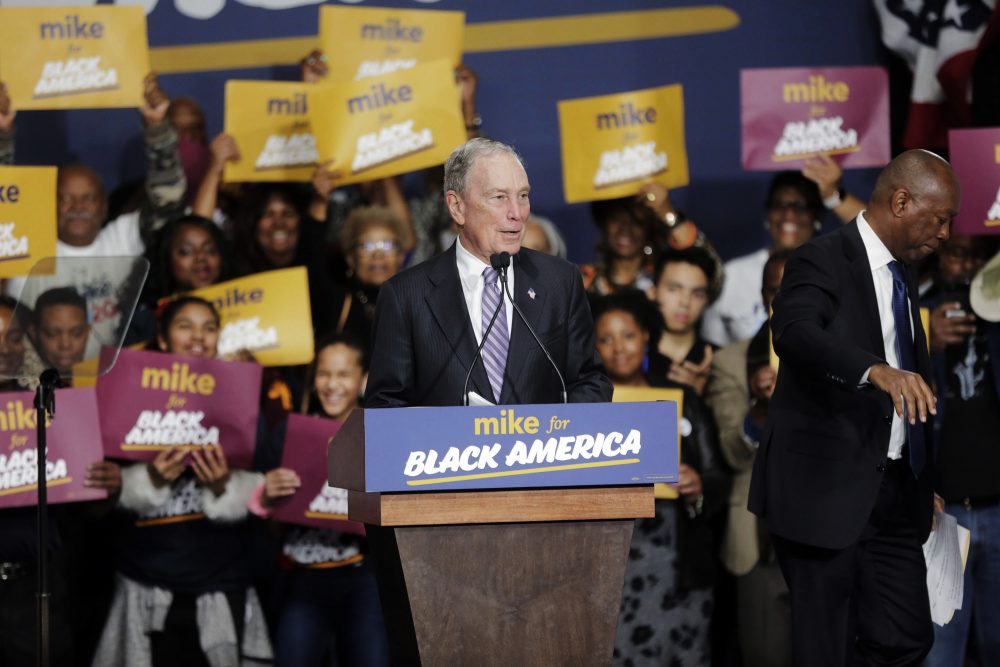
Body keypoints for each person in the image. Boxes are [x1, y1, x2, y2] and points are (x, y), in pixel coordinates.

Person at [748, 149, 959, 666]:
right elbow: (794, 332)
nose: (947, 234)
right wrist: (874, 370)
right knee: (827, 650)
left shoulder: (904, 272)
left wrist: (921, 479)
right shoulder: (820, 258)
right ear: (903, 201)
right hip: (823, 493)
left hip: (893, 496)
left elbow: (914, 379)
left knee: (907, 638)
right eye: (941, 218)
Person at [365, 137, 611, 407]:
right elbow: (386, 406)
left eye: (523, 196)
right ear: (457, 207)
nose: (517, 213)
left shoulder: (560, 281)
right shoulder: (406, 296)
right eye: (499, 197)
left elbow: (589, 381)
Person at [93, 296, 272, 666]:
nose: (198, 337)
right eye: (185, 326)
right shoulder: (127, 393)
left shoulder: (240, 396)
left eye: (209, 328)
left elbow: (270, 484)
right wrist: (146, 479)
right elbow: (102, 494)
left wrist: (225, 485)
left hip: (221, 579)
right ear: (162, 337)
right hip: (146, 579)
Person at [590, 291, 729, 666]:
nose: (619, 347)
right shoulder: (582, 408)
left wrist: (696, 488)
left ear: (646, 336)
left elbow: (717, 479)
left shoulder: (680, 396)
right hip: (609, 566)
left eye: (629, 335)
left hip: (678, 559)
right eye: (606, 338)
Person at [2, 73, 186, 346]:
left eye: (88, 198)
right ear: (48, 205)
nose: (77, 207)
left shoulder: (122, 238)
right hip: (43, 381)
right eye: (65, 198)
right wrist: (2, 137)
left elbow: (168, 203)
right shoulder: (25, 248)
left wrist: (158, 129)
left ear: (104, 206)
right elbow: (4, 204)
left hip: (113, 377)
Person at [252, 336, 390, 666]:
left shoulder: (384, 436)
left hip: (364, 581)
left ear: (364, 380)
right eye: (323, 374)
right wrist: (267, 499)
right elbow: (272, 528)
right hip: (301, 580)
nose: (331, 385)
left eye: (343, 375)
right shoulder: (290, 432)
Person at [704, 249, 793, 667]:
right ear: (764, 295)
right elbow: (732, 453)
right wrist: (760, 408)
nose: (789, 301)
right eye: (779, 291)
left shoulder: (845, 361)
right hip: (760, 544)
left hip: (831, 538)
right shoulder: (732, 363)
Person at [921, 234, 1000, 667]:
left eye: (977, 256)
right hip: (943, 516)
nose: (965, 266)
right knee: (941, 652)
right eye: (956, 254)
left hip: (999, 508)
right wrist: (925, 338)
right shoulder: (914, 308)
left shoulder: (996, 308)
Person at [646, 247, 718, 396]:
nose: (685, 302)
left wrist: (705, 395)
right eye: (674, 289)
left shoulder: (720, 362)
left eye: (697, 294)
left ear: (707, 301)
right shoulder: (632, 357)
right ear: (652, 292)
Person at [31, 287, 91, 377]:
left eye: (76, 333)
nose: (65, 345)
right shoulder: (18, 384)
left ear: (87, 332)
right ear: (34, 333)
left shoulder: (100, 379)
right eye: (52, 334)